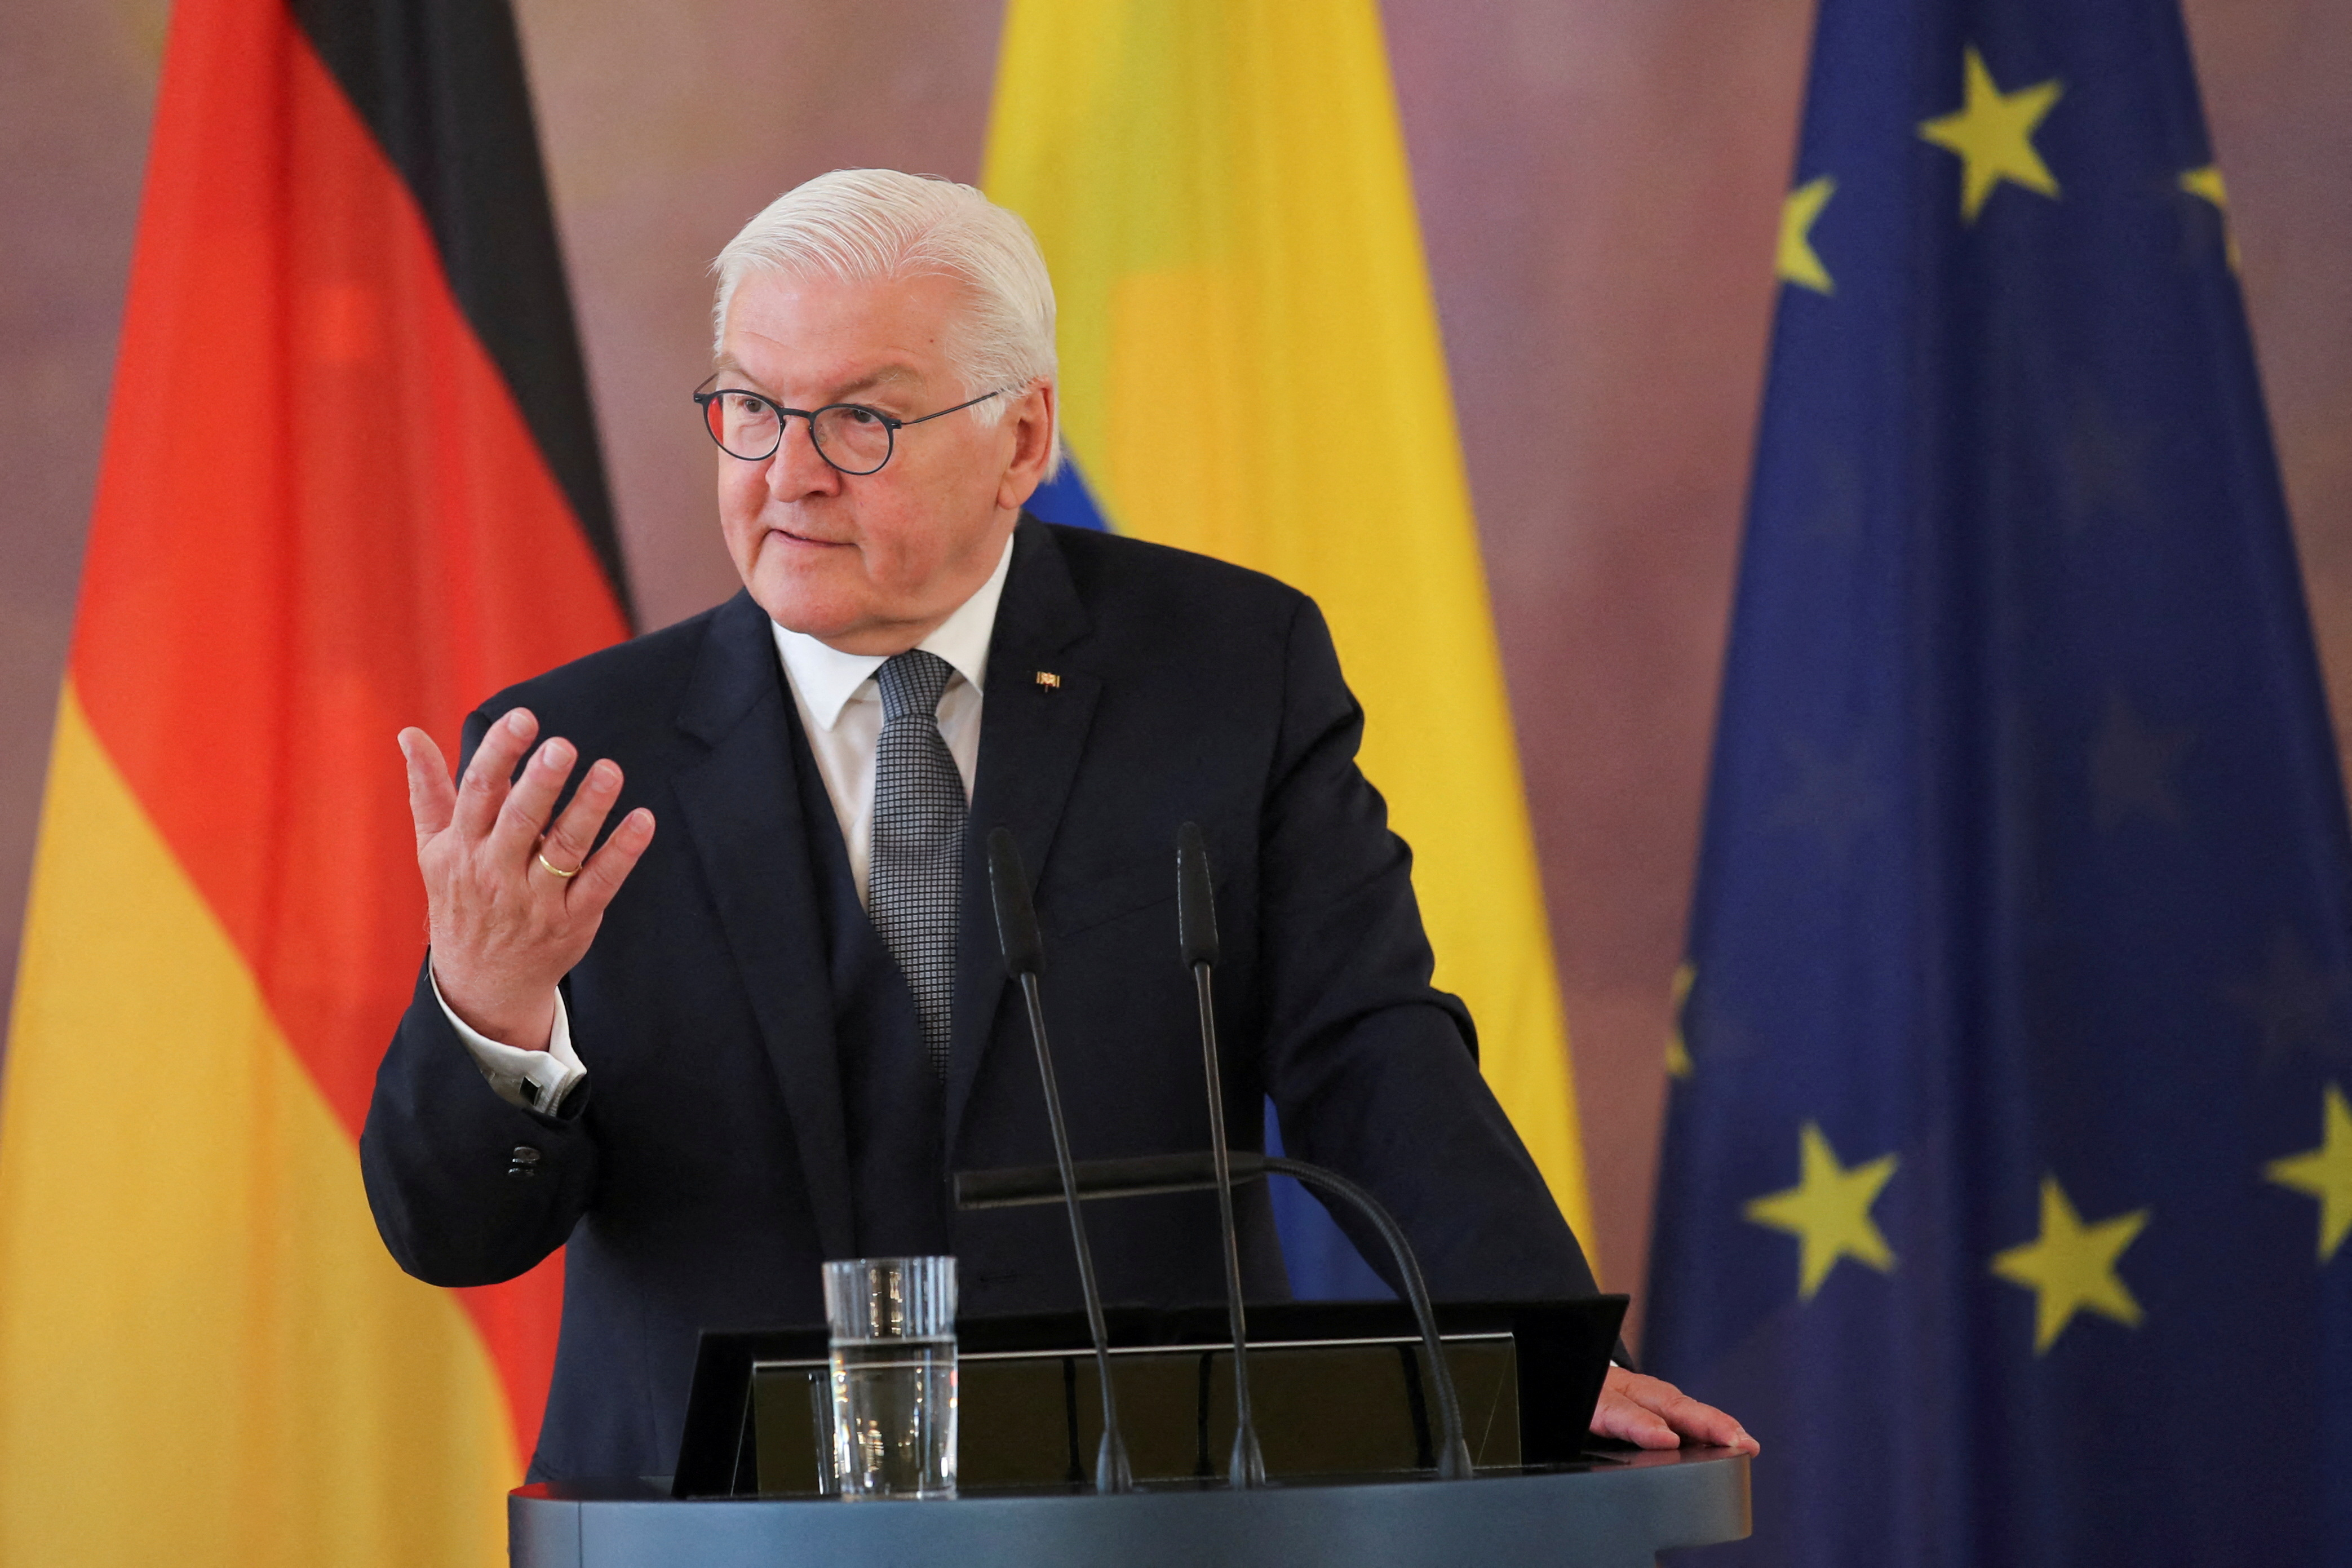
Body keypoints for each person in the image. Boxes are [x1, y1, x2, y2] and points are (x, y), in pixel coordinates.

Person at [361, 168, 1754, 1481]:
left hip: (1144, 1491)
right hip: (714, 1509)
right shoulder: (568, 755)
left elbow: (1365, 1046)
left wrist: (1543, 1341)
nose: (786, 474)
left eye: (861, 419)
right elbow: (455, 1236)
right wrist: (490, 1003)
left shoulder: (1223, 669)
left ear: (1020, 437)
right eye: (750, 408)